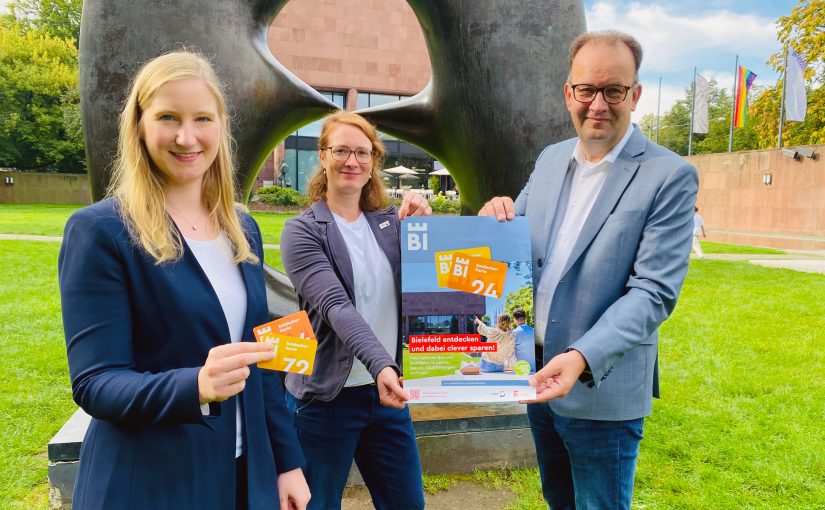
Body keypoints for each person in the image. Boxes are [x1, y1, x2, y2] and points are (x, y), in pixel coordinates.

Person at [58, 51, 310, 510]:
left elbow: (260, 363)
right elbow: (95, 382)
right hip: (151, 483)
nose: (186, 136)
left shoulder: (241, 227)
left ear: (222, 125)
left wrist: (286, 462)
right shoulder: (102, 231)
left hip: (241, 478)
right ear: (138, 124)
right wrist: (195, 385)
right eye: (168, 117)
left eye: (202, 118)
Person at [479, 30, 698, 509]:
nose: (598, 104)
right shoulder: (551, 158)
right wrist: (495, 218)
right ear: (568, 94)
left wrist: (580, 356)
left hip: (601, 388)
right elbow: (517, 241)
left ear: (635, 95)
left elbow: (654, 293)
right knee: (557, 498)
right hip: (535, 374)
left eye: (613, 90)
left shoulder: (669, 176)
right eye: (586, 90)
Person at [280, 111, 432, 510]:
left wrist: (426, 230)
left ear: (373, 162)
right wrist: (384, 364)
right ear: (323, 156)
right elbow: (335, 306)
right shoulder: (303, 231)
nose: (352, 161)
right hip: (325, 400)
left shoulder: (392, 225)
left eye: (362, 152)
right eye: (342, 150)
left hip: (387, 398)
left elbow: (433, 284)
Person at [512, 308, 536, 373]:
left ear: (515, 319)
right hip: (535, 368)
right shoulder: (534, 331)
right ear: (525, 319)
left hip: (521, 370)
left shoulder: (513, 333)